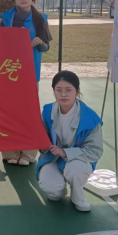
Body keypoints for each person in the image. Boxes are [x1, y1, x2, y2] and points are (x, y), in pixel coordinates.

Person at [0, 0, 52, 166]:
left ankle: (28, 154)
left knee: (29, 112)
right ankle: (10, 153)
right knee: (9, 112)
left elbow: (46, 46)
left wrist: (39, 42)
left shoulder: (40, 19)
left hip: (30, 73)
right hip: (9, 72)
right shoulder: (6, 18)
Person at [37, 71, 103, 212]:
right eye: (59, 90)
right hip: (53, 159)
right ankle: (59, 191)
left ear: (77, 92)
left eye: (68, 90)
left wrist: (65, 153)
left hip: (78, 160)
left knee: (75, 170)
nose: (63, 94)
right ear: (53, 91)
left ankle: (78, 197)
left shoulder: (90, 118)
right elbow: (42, 137)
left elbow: (95, 151)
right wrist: (42, 147)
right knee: (49, 187)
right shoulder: (47, 111)